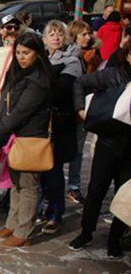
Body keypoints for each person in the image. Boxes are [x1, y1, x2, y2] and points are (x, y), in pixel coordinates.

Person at [0, 32, 53, 247]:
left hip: (30, 138)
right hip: (14, 137)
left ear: (38, 53)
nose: (22, 57)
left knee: (28, 186)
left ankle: (24, 233)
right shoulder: (18, 72)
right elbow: (5, 104)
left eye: (27, 53)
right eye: (19, 53)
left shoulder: (39, 80)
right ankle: (12, 224)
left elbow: (20, 113)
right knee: (15, 183)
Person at [69, 42, 131, 258]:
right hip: (109, 143)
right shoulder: (113, 75)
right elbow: (80, 83)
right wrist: (81, 110)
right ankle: (86, 232)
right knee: (96, 190)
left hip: (130, 151)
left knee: (126, 196)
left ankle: (115, 238)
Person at [38, 20, 81, 234]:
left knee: (53, 169)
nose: (56, 37)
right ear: (44, 38)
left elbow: (62, 89)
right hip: (41, 121)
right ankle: (45, 208)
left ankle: (56, 212)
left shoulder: (72, 61)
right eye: (51, 33)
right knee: (41, 169)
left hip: (60, 122)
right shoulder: (41, 59)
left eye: (59, 34)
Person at [65, 20, 99, 204]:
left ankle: (74, 186)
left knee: (78, 151)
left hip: (84, 109)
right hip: (68, 108)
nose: (88, 37)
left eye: (89, 33)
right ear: (74, 36)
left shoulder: (94, 56)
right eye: (84, 34)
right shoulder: (69, 55)